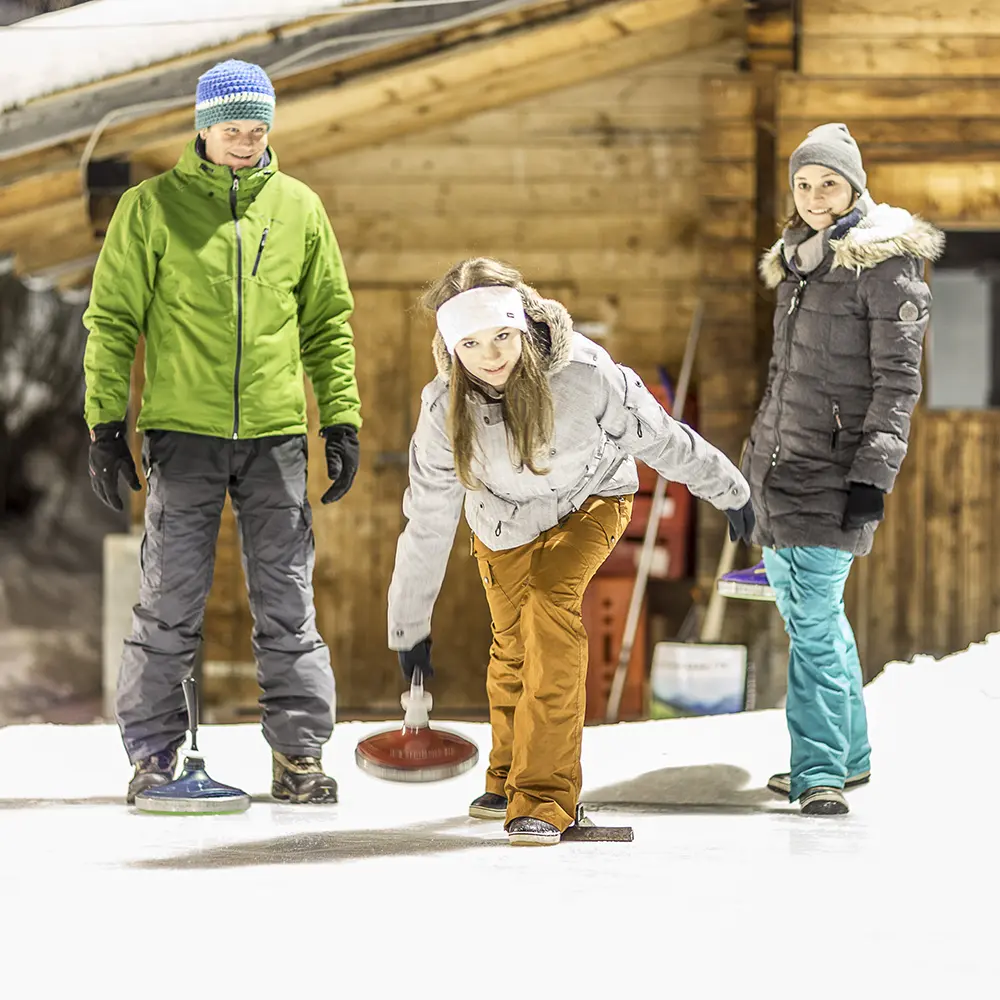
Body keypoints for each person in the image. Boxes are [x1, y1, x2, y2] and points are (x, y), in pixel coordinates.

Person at [386, 257, 754, 846]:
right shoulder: (441, 410)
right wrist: (409, 627)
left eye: (502, 336)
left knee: (549, 613)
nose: (491, 355)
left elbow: (657, 434)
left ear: (522, 323)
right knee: (511, 646)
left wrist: (727, 486)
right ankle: (506, 776)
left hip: (591, 500)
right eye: (472, 343)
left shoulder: (583, 373)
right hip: (502, 523)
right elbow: (427, 520)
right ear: (452, 346)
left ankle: (545, 798)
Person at [83, 60, 361, 805]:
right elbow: (111, 324)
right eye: (234, 129)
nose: (247, 141)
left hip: (274, 436)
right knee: (169, 601)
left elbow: (328, 324)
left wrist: (340, 417)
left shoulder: (299, 208)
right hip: (183, 433)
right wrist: (105, 425)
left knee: (288, 602)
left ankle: (299, 756)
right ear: (203, 128)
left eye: (259, 128)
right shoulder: (150, 209)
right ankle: (153, 756)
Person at [743, 123, 943, 815]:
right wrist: (752, 466)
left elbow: (899, 381)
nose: (814, 194)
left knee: (813, 624)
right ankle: (848, 757)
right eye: (803, 183)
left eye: (828, 182)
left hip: (835, 471)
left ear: (854, 187)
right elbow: (783, 376)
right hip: (779, 466)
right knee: (817, 620)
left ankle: (820, 771)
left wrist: (872, 476)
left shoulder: (883, 267)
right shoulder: (800, 263)